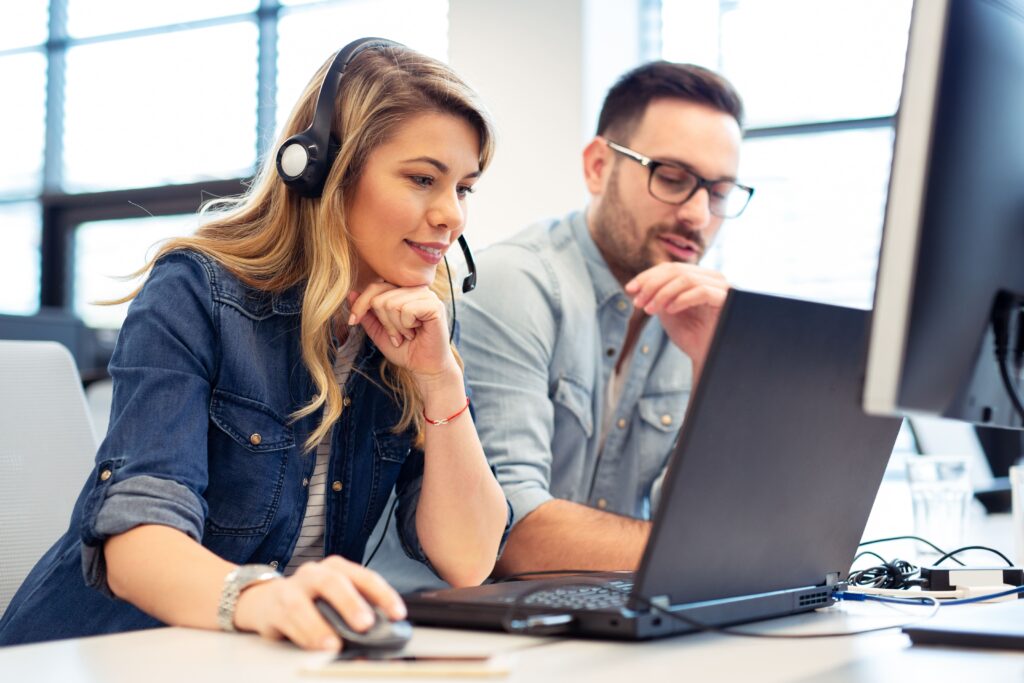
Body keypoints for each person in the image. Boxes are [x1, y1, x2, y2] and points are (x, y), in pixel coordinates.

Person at [0, 41, 509, 649]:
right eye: (423, 179)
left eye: (465, 188)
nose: (452, 216)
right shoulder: (196, 293)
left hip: (262, 657)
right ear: (325, 173)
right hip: (100, 653)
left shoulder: (418, 330)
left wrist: (440, 382)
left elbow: (469, 558)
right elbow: (133, 545)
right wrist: (266, 596)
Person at [369, 60, 751, 590]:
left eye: (719, 193)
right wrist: (719, 555)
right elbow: (517, 538)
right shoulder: (515, 283)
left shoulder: (692, 310)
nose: (696, 213)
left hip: (595, 612)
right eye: (672, 178)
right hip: (461, 631)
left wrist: (718, 369)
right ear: (598, 166)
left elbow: (707, 517)